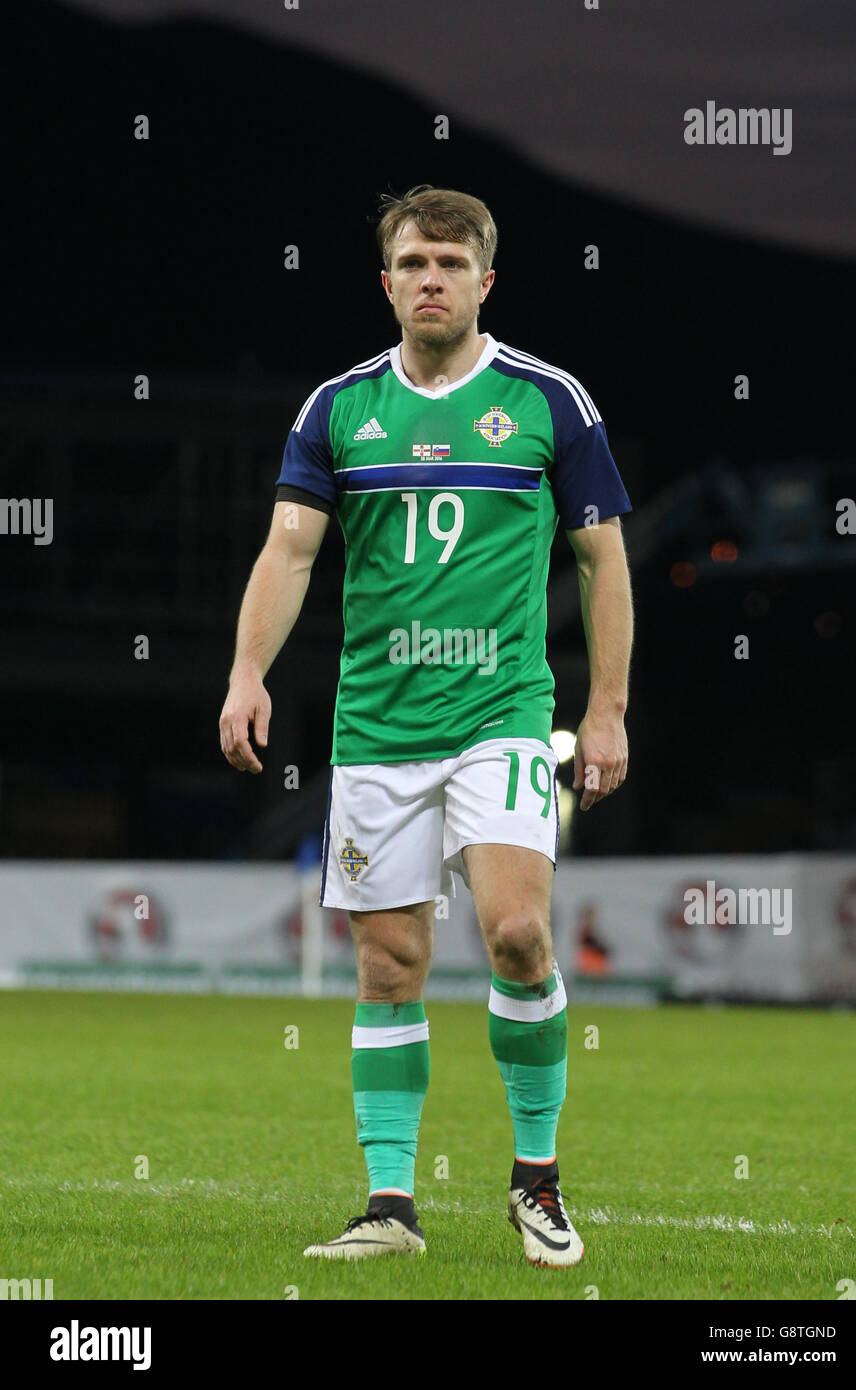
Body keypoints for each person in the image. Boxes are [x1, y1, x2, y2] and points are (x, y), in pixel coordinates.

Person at [219, 185, 634, 1267]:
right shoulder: (337, 409)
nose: (431, 279)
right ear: (388, 281)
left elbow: (603, 561)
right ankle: (389, 1208)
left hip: (501, 713)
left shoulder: (549, 400)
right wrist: (246, 672)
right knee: (391, 963)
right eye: (413, 262)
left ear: (485, 281)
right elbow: (290, 552)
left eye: (451, 263)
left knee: (515, 932)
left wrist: (604, 711)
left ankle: (536, 1180)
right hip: (377, 728)